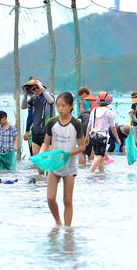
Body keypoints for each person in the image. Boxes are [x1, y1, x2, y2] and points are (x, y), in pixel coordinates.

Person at [40, 92, 86, 227]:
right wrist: (41, 155)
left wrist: (68, 154)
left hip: (69, 167)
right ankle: (58, 222)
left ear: (71, 106)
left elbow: (82, 146)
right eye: (58, 106)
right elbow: (45, 143)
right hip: (54, 165)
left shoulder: (76, 124)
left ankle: (67, 230)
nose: (60, 108)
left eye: (63, 106)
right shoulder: (51, 122)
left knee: (67, 201)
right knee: (50, 198)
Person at [20, 77, 55, 162]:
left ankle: (48, 175)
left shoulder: (49, 95)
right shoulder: (33, 98)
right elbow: (23, 106)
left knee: (46, 159)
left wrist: (41, 88)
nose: (36, 90)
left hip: (47, 131)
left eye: (37, 87)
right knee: (36, 160)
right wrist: (25, 94)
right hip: (36, 131)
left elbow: (51, 101)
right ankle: (39, 175)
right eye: (33, 89)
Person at [86, 92, 121, 173]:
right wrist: (117, 139)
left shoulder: (93, 110)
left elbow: (89, 125)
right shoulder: (109, 112)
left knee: (100, 156)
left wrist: (86, 137)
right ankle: (90, 172)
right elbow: (112, 127)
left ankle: (101, 174)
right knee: (99, 156)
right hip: (102, 137)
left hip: (92, 136)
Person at [77, 87, 96, 165]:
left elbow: (82, 111)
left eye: (81, 95)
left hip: (85, 122)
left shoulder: (83, 100)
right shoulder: (94, 100)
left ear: (84, 93)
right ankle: (91, 166)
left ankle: (82, 169)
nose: (80, 96)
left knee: (82, 149)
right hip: (95, 124)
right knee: (92, 148)